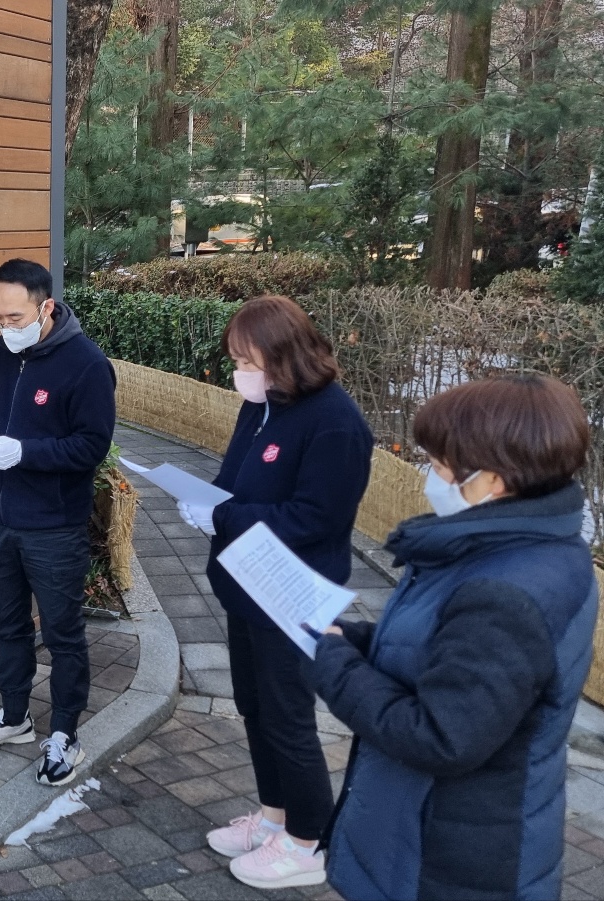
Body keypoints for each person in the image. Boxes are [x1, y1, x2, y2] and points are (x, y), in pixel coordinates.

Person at [308, 374, 596, 901]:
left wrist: (335, 665)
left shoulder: (504, 590)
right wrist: (358, 640)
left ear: (494, 481)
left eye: (441, 464)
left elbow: (441, 736)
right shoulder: (534, 546)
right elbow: (448, 654)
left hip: (447, 858)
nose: (430, 475)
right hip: (459, 831)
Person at [178, 294, 372, 890]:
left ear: (285, 356)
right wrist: (205, 499)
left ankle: (308, 841)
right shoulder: (263, 404)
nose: (240, 372)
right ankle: (274, 818)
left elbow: (316, 517)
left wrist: (225, 517)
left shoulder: (336, 423)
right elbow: (235, 478)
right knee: (254, 706)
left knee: (288, 718)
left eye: (248, 361)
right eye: (236, 360)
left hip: (293, 591)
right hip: (246, 583)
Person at [0, 258, 116, 786]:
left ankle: (64, 732)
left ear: (45, 308)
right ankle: (14, 716)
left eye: (15, 317)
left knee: (63, 634)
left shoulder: (87, 364)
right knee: (9, 625)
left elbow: (91, 446)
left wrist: (26, 452)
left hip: (53, 526)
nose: (5, 327)